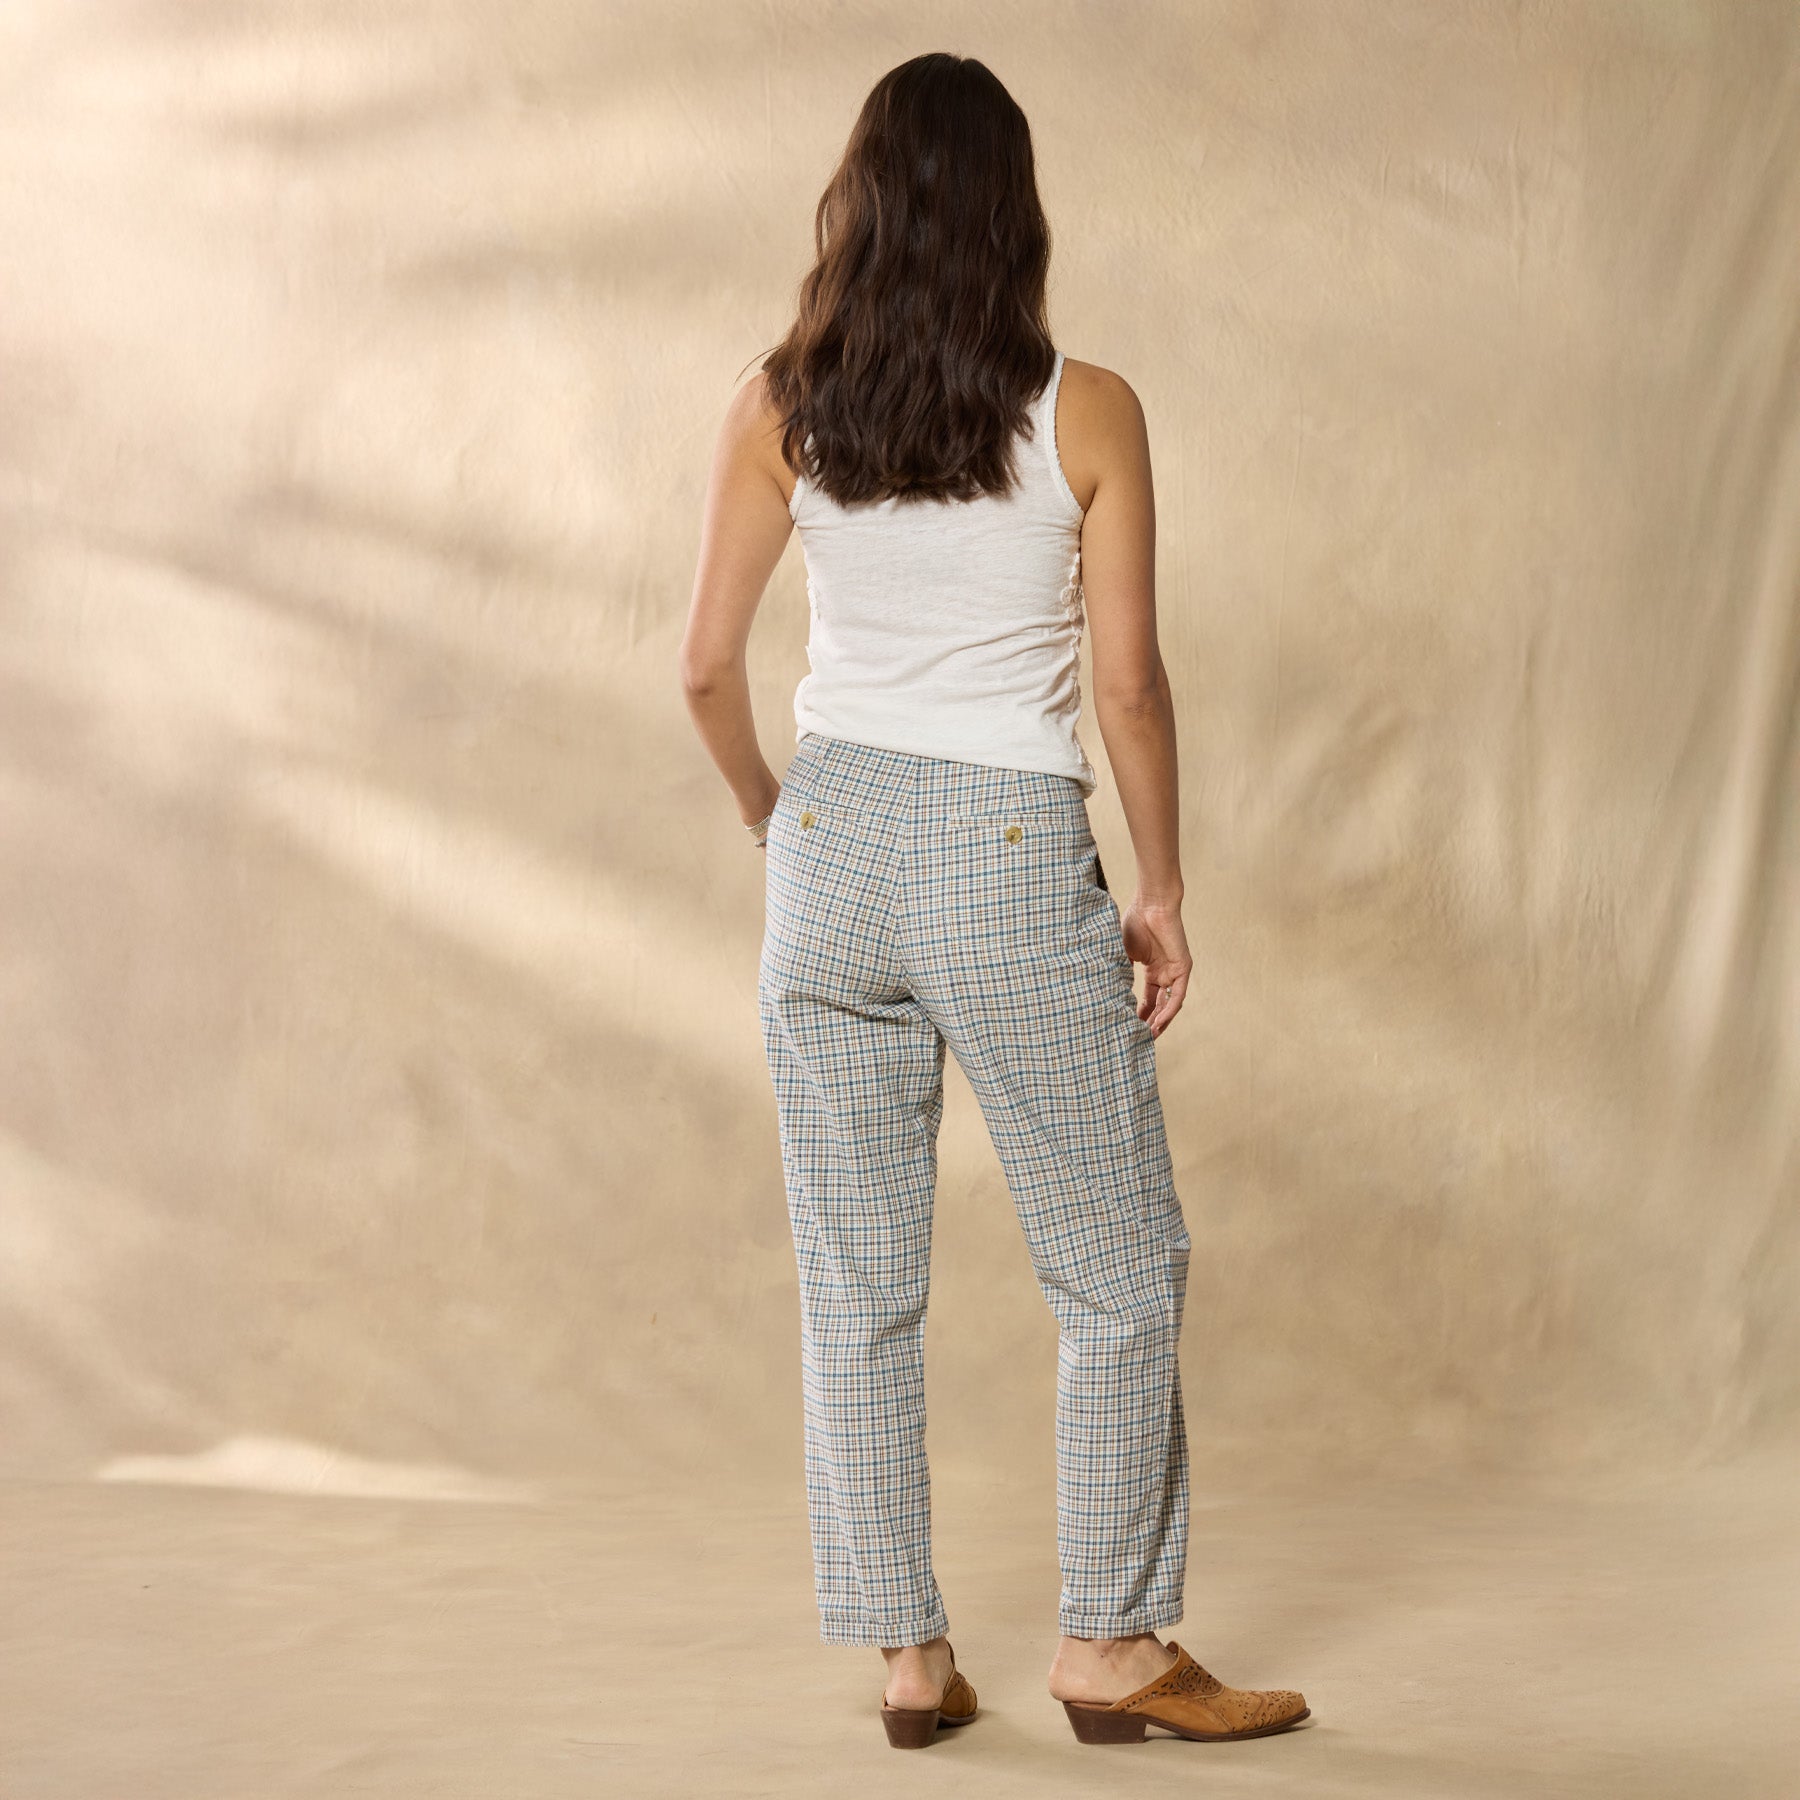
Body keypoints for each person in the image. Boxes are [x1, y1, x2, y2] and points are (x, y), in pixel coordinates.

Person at [678, 52, 1309, 1752]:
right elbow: (1131, 689)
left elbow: (706, 670)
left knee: (857, 1281)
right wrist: (1161, 889)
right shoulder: (1087, 409)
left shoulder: (779, 406)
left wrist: (775, 823)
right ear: (1015, 215)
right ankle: (1111, 1646)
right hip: (1009, 850)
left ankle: (908, 1657)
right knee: (1116, 1267)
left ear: (860, 208)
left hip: (832, 853)